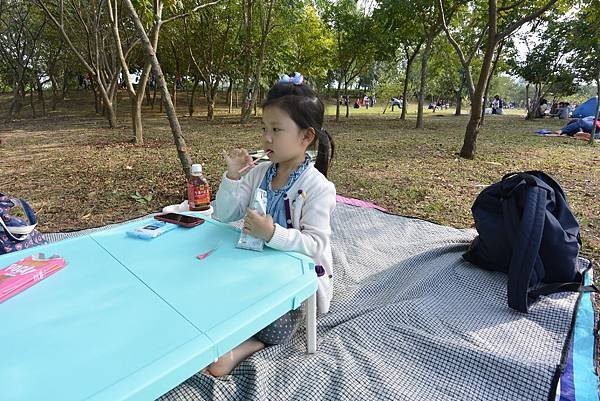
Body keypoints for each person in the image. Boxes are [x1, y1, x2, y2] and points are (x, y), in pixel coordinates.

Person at [207, 73, 336, 377]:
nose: (266, 138)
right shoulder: (258, 173)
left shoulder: (318, 187)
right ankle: (224, 334)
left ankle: (244, 347)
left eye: (276, 130)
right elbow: (223, 215)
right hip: (251, 270)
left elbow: (316, 246)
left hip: (290, 283)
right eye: (264, 128)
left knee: (277, 325)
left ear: (306, 137)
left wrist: (272, 233)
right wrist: (233, 178)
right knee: (211, 288)